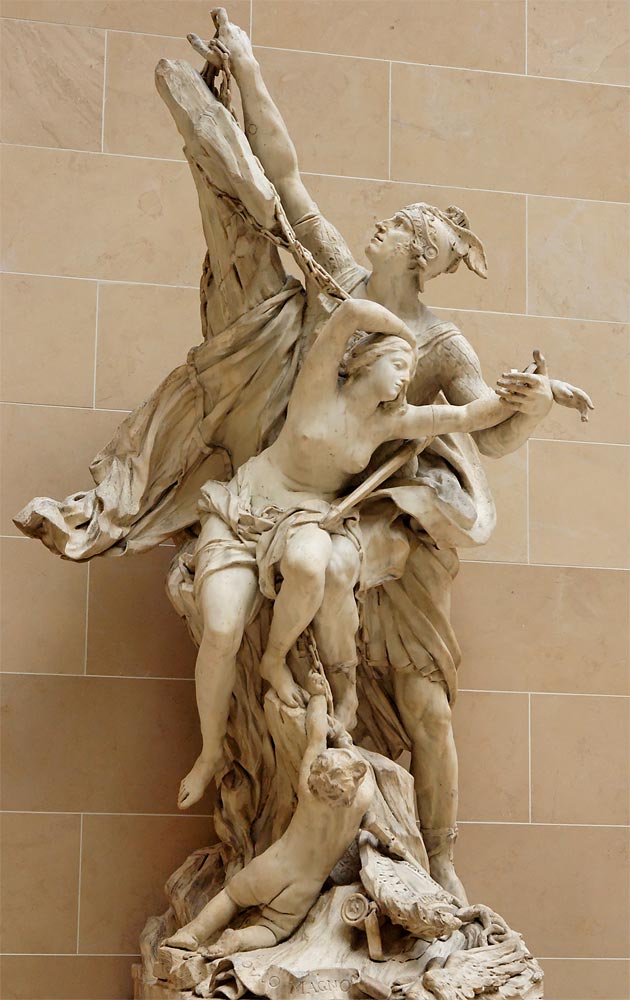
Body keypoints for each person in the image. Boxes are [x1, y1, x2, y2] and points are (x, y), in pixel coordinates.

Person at [207, 8, 593, 902]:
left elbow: (488, 433)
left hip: (405, 532)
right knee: (308, 666)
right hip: (318, 511)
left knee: (425, 703)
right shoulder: (342, 286)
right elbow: (286, 176)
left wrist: (532, 407)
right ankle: (303, 857)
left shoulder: (442, 343)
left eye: (391, 227)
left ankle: (441, 862)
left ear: (414, 255)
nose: (373, 227)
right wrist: (247, 67)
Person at [179, 295, 519, 811]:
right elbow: (350, 314)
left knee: (310, 565)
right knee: (222, 631)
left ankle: (274, 659)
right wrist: (405, 333)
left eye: (410, 371)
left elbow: (469, 414)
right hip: (244, 508)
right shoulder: (319, 387)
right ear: (366, 361)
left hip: (309, 517)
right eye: (399, 365)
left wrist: (526, 399)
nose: (405, 379)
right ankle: (209, 754)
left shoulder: (388, 424)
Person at [164, 671, 375, 956]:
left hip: (275, 866)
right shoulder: (363, 799)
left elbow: (316, 735)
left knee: (231, 896)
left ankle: (191, 934)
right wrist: (347, 744)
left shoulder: (309, 793)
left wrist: (316, 696)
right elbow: (362, 770)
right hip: (305, 888)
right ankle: (238, 941)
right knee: (273, 929)